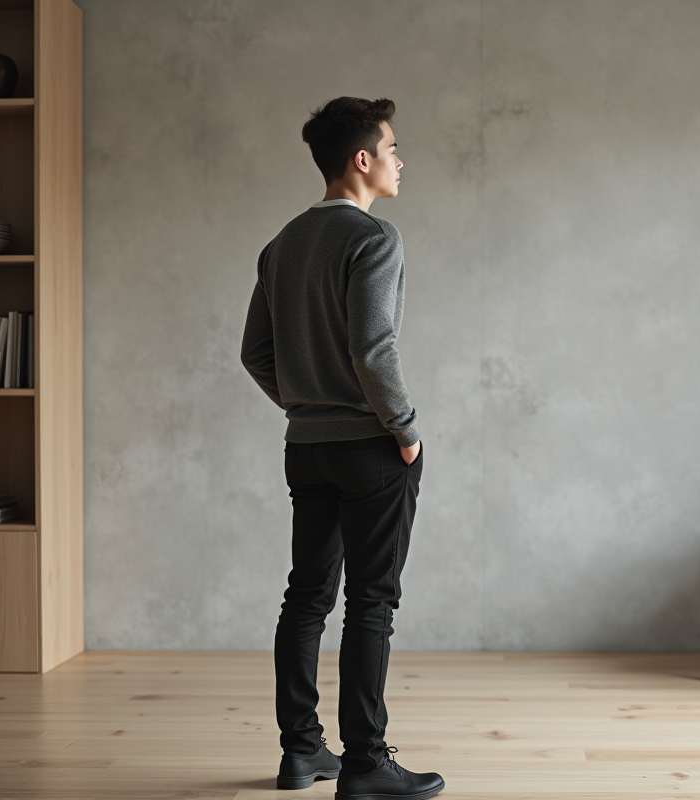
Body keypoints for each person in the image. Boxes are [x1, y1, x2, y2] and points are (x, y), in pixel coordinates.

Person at [241, 96, 444, 800]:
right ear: (362, 160)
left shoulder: (283, 243)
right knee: (371, 604)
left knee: (306, 599)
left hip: (307, 448)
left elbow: (255, 353)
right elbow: (373, 347)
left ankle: (302, 753)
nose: (399, 160)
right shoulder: (375, 239)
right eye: (391, 149)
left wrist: (305, 405)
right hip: (370, 447)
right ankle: (365, 764)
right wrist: (407, 429)